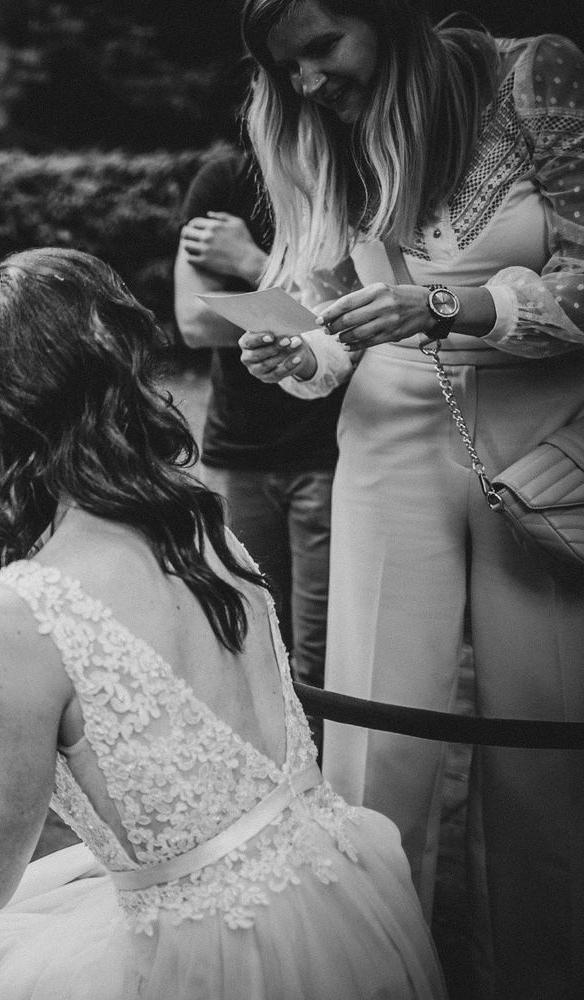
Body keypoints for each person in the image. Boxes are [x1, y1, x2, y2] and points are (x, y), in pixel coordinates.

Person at [0, 248, 445, 999]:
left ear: (10, 412)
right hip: (331, 900)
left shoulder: (25, 606)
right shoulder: (199, 522)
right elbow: (153, 703)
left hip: (210, 961)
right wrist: (10, 668)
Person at [235, 2, 584, 992]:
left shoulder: (534, 77)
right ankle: (372, 973)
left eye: (320, 49)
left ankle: (542, 974)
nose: (305, 84)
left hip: (544, 440)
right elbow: (337, 325)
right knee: (379, 743)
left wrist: (453, 303)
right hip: (391, 437)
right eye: (284, 67)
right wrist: (296, 347)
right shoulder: (326, 140)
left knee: (544, 746)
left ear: (387, 20)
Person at [173, 148, 343, 704]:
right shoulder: (222, 183)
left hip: (334, 451)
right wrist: (306, 311)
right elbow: (196, 323)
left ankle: (322, 781)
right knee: (252, 638)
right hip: (239, 450)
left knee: (322, 655)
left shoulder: (349, 176)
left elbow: (361, 322)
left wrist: (251, 264)